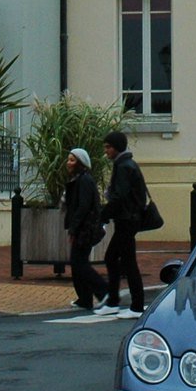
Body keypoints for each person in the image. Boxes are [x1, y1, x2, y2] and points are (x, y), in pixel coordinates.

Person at [99, 130, 147, 318]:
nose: (106, 151)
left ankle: (130, 304)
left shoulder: (124, 167)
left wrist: (104, 214)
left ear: (117, 147)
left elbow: (120, 196)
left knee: (117, 259)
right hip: (129, 219)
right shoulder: (126, 164)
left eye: (109, 147)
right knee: (123, 260)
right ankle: (120, 302)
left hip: (127, 219)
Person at [61, 148, 107, 312]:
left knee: (80, 263)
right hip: (81, 228)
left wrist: (74, 229)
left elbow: (83, 207)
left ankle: (103, 291)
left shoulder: (84, 180)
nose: (69, 163)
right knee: (78, 263)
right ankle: (85, 298)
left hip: (85, 229)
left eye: (72, 160)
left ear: (81, 163)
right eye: (68, 159)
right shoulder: (78, 179)